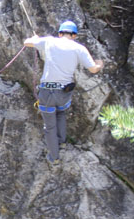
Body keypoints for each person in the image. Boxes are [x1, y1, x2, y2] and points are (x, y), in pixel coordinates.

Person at [24, 21, 103, 165]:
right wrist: (99, 64)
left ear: (60, 33)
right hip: (64, 93)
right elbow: (93, 69)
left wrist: (35, 40)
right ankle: (61, 143)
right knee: (60, 114)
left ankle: (54, 158)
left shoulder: (49, 41)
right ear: (74, 35)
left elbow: (26, 42)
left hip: (47, 92)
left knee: (49, 127)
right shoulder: (80, 48)